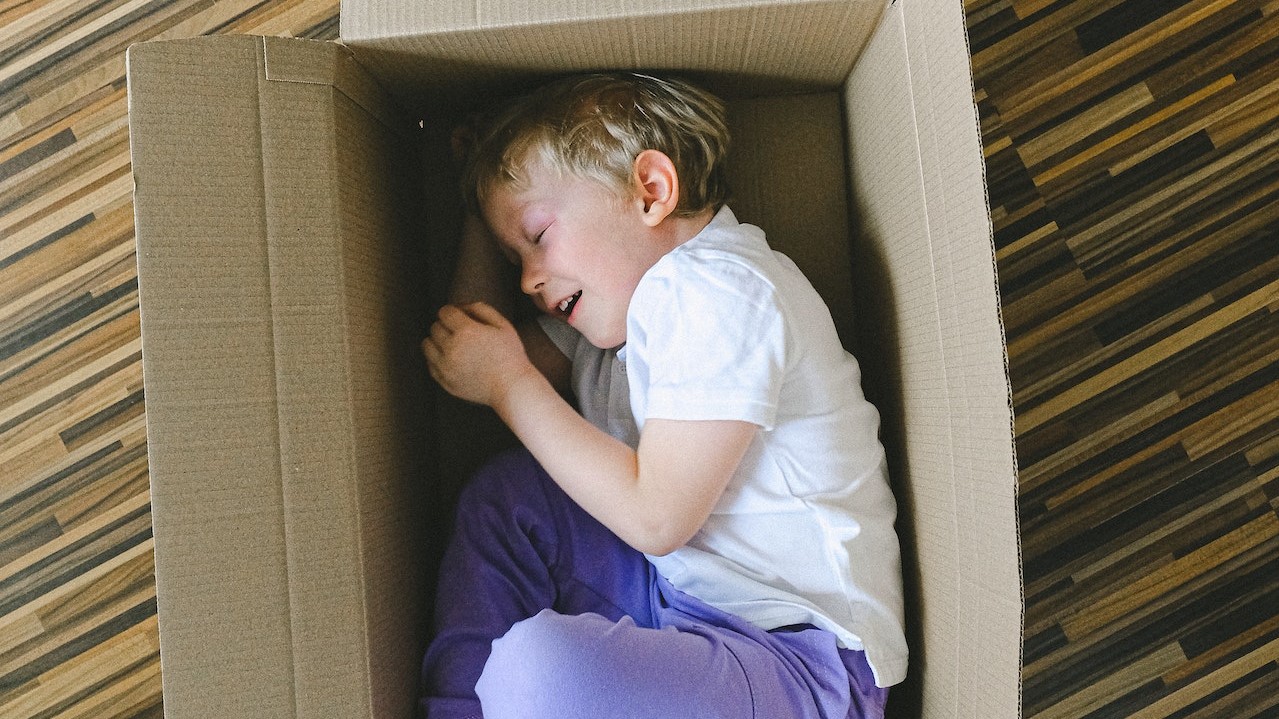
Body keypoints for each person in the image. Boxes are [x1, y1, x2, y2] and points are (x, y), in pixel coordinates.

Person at [419, 73, 906, 719]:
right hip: (680, 603)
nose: (530, 280)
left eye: (536, 238)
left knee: (538, 674)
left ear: (650, 192)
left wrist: (512, 384)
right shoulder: (607, 326)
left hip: (798, 664)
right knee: (508, 496)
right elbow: (473, 351)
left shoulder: (721, 289)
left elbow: (656, 518)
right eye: (517, 262)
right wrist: (480, 214)